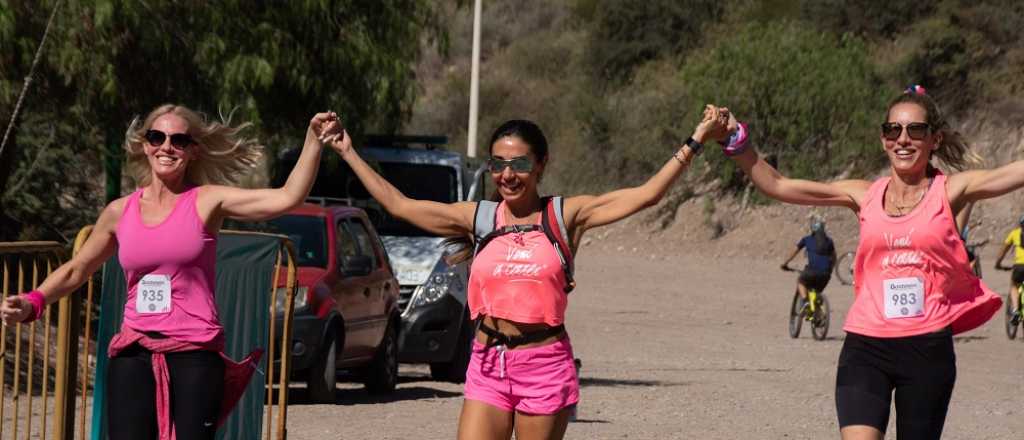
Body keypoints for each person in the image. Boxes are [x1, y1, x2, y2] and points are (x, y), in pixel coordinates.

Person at [321, 110, 724, 440]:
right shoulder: (478, 217)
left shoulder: (564, 216)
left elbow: (646, 194)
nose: (507, 175)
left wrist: (696, 140)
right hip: (487, 363)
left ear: (541, 164)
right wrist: (349, 151)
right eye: (498, 164)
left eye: (520, 164)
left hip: (544, 365)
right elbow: (401, 205)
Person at [0, 104, 340, 439]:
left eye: (178, 140)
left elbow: (288, 197)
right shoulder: (120, 212)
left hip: (193, 353)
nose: (167, 146)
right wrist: (33, 301)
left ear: (193, 151)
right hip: (133, 352)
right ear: (145, 145)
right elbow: (78, 268)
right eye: (157, 136)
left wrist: (312, 141)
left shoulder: (208, 201)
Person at [713, 85, 1007, 440]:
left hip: (927, 350)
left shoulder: (950, 190)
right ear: (883, 138)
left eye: (915, 130)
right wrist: (736, 141)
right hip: (866, 348)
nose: (903, 139)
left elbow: (1009, 175)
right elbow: (779, 185)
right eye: (892, 130)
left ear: (935, 139)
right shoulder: (863, 194)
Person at [780, 218, 836, 313]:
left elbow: (794, 252)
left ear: (812, 229)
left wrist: (785, 264)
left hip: (812, 271)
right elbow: (834, 257)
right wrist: (830, 269)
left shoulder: (807, 239)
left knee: (801, 281)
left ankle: (805, 301)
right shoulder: (829, 241)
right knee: (817, 292)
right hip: (825, 274)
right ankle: (819, 315)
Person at [994, 215, 1024, 324]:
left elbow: (1003, 251)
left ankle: (1016, 310)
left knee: (1014, 285)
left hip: (1019, 267)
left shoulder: (1015, 233)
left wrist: (998, 264)